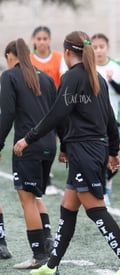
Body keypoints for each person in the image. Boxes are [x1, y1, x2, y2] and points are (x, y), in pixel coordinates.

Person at [14, 30, 120, 275]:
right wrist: (113, 150)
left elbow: (57, 114)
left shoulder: (72, 77)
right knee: (68, 208)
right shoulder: (97, 77)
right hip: (88, 149)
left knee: (96, 210)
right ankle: (51, 267)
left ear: (68, 52)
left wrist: (28, 138)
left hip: (85, 151)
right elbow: (110, 119)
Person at [0, 38, 56, 269]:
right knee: (35, 197)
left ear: (9, 57)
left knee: (27, 201)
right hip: (49, 146)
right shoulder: (46, 77)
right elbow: (56, 113)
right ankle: (48, 242)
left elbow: (7, 114)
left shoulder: (9, 77)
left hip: (26, 146)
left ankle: (39, 256)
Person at [91, 33, 120, 206]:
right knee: (97, 158)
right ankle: (102, 190)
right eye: (95, 47)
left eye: (101, 46)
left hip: (112, 121)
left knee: (113, 158)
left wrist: (110, 80)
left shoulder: (117, 65)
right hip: (92, 121)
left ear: (107, 47)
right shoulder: (88, 67)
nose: (98, 50)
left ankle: (106, 184)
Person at [30, 25, 68, 196]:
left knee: (58, 139)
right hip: (36, 107)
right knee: (40, 139)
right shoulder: (29, 59)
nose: (42, 42)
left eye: (45, 39)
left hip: (55, 106)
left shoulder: (59, 58)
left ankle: (50, 174)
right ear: (33, 41)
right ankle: (46, 178)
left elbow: (63, 81)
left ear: (50, 40)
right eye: (39, 39)